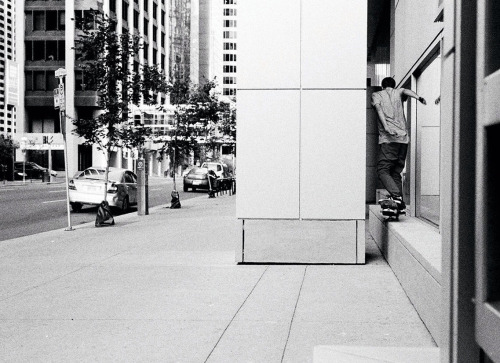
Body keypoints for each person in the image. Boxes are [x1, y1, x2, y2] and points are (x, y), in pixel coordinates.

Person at [371, 77, 426, 212]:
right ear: (393, 86)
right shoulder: (399, 91)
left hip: (389, 139)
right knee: (395, 171)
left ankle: (395, 196)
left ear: (382, 86)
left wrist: (386, 127)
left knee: (382, 170)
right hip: (403, 139)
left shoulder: (377, 94)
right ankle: (399, 202)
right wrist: (419, 98)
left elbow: (378, 109)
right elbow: (407, 91)